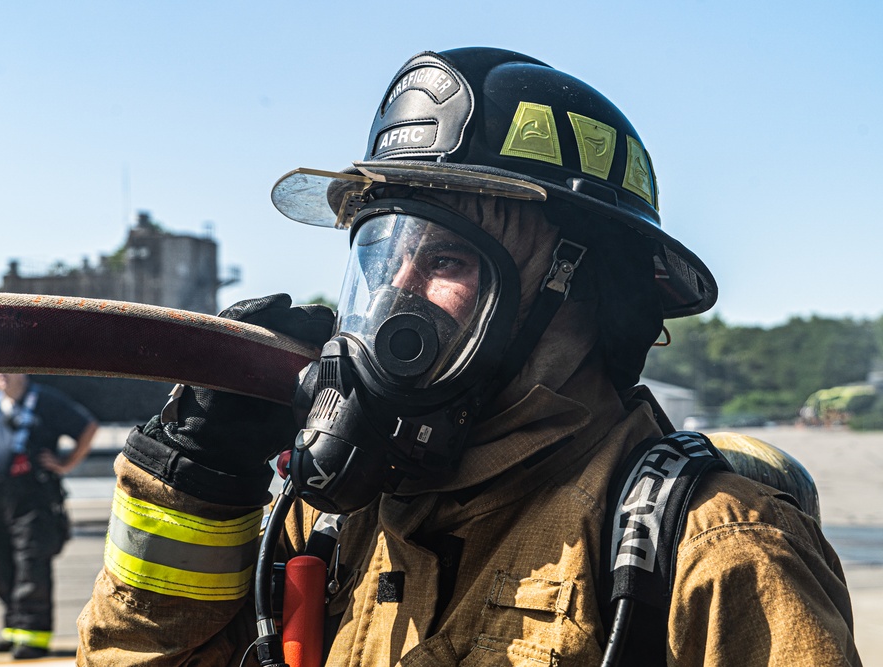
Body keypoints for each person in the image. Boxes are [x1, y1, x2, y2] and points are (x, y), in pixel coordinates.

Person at [77, 48, 861, 665]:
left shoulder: (717, 558)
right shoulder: (329, 520)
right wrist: (193, 491)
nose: (394, 296)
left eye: (446, 260)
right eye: (382, 259)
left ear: (581, 295)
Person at [0, 373, 98, 660]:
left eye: (8, 369)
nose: (1, 375)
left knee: (31, 563)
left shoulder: (46, 401)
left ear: (23, 371)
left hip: (34, 495)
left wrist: (65, 464)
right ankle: (14, 627)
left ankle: (34, 635)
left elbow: (87, 427)